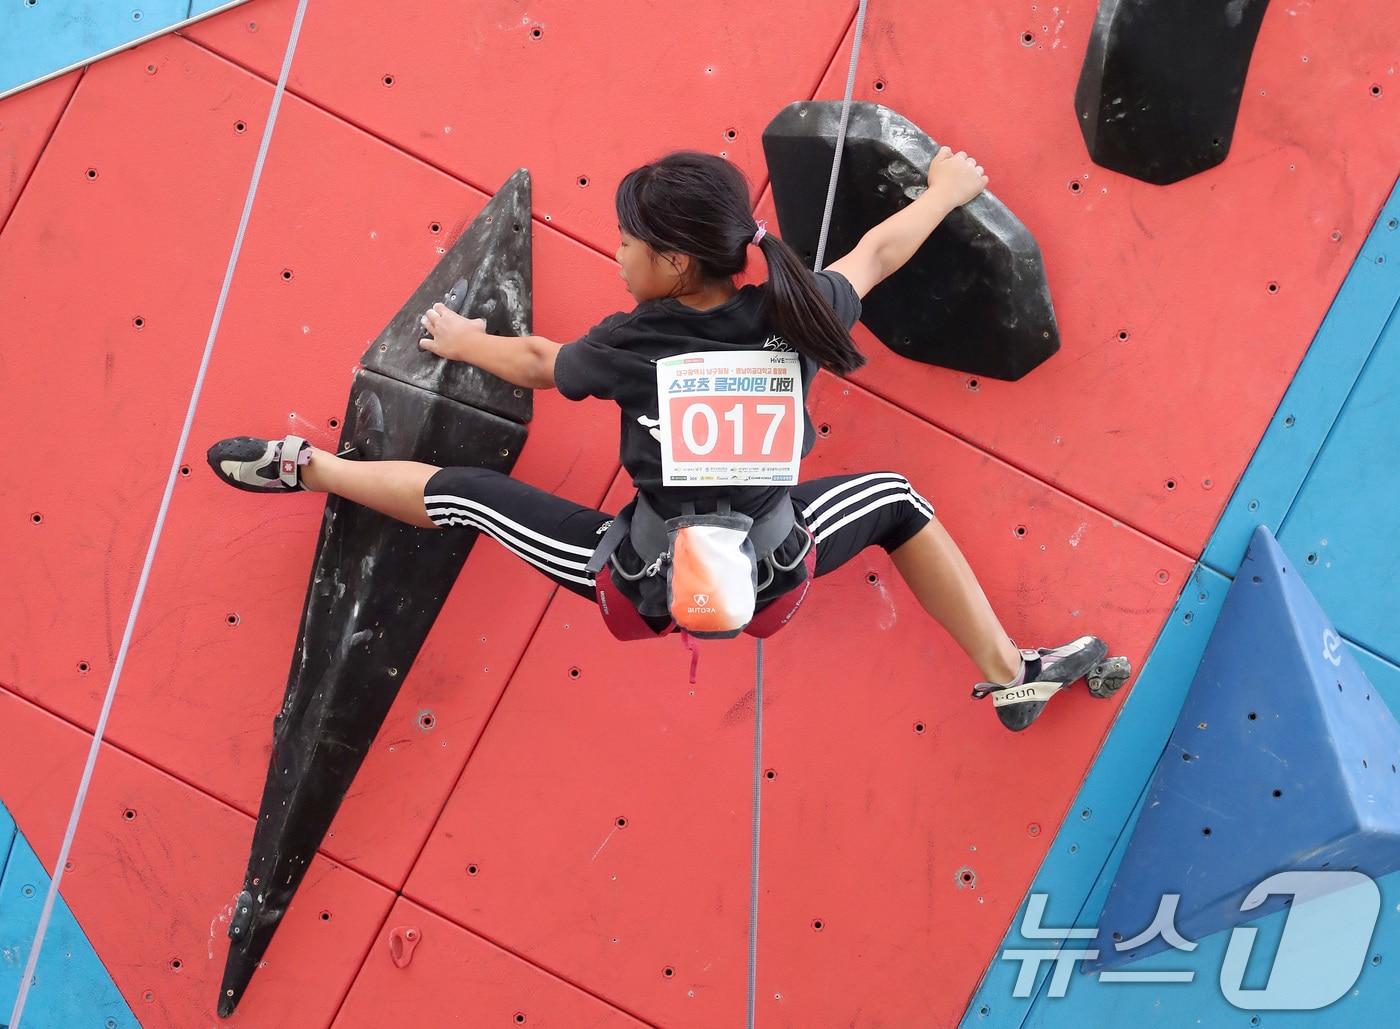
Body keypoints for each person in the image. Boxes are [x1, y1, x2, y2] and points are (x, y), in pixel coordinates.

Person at [207, 147, 1125, 731]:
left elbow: (531, 363)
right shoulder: (799, 309)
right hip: (776, 580)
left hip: (636, 588)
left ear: (675, 263)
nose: (617, 255)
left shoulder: (631, 342)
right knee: (899, 502)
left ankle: (308, 466)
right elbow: (878, 254)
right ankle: (1009, 672)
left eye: (625, 243)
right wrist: (948, 191)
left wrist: (457, 341)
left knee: (465, 493)